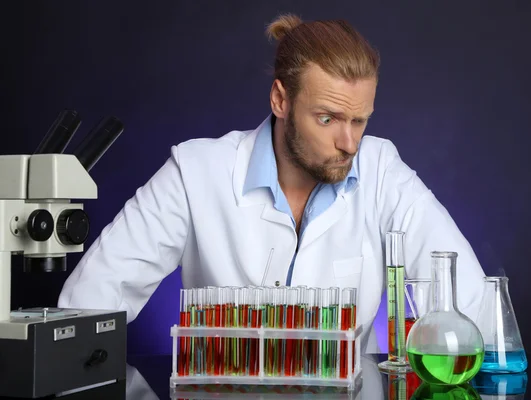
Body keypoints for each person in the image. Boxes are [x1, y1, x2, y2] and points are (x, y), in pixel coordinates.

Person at [57, 13, 486, 353]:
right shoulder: (196, 172)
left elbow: (471, 305)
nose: (349, 142)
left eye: (360, 120)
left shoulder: (382, 170)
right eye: (327, 118)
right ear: (281, 99)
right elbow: (89, 303)